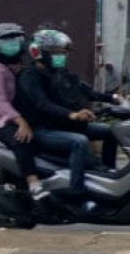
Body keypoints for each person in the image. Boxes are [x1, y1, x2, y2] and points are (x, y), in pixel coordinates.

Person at [14, 29, 114, 205]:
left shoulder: (59, 74)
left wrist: (115, 98)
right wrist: (73, 114)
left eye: (64, 53)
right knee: (79, 142)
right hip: (41, 130)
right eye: (56, 53)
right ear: (38, 52)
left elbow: (85, 91)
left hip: (60, 125)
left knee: (111, 132)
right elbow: (42, 104)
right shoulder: (29, 76)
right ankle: (77, 194)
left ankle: (107, 173)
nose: (62, 57)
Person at [0, 22, 45, 199]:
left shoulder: (12, 68)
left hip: (7, 117)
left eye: (15, 41)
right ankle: (33, 183)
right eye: (5, 43)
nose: (12, 46)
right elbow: (0, 103)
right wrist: (21, 123)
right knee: (21, 140)